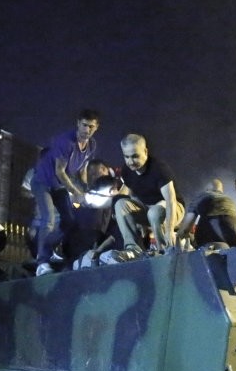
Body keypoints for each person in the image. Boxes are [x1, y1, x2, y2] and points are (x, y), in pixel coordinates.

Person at [30, 109, 101, 276]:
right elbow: (60, 171)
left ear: (97, 127)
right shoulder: (66, 142)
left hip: (58, 186)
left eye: (91, 127)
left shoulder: (92, 145)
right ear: (78, 123)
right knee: (49, 219)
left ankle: (46, 248)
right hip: (43, 182)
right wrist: (76, 192)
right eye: (84, 125)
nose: (87, 130)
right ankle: (42, 263)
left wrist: (85, 189)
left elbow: (82, 168)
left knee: (69, 221)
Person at [114, 134, 183, 251]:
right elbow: (132, 196)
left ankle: (164, 248)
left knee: (154, 212)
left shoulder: (159, 169)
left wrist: (170, 229)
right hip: (147, 209)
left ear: (145, 151)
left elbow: (170, 200)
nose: (130, 162)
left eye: (135, 156)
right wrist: (140, 223)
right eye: (126, 157)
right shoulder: (126, 171)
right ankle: (132, 248)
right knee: (120, 204)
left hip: (172, 208)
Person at [177, 179, 236, 248]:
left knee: (218, 247)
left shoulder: (202, 196)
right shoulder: (230, 201)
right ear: (221, 190)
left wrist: (176, 238)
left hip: (214, 234)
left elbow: (185, 229)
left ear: (208, 189)